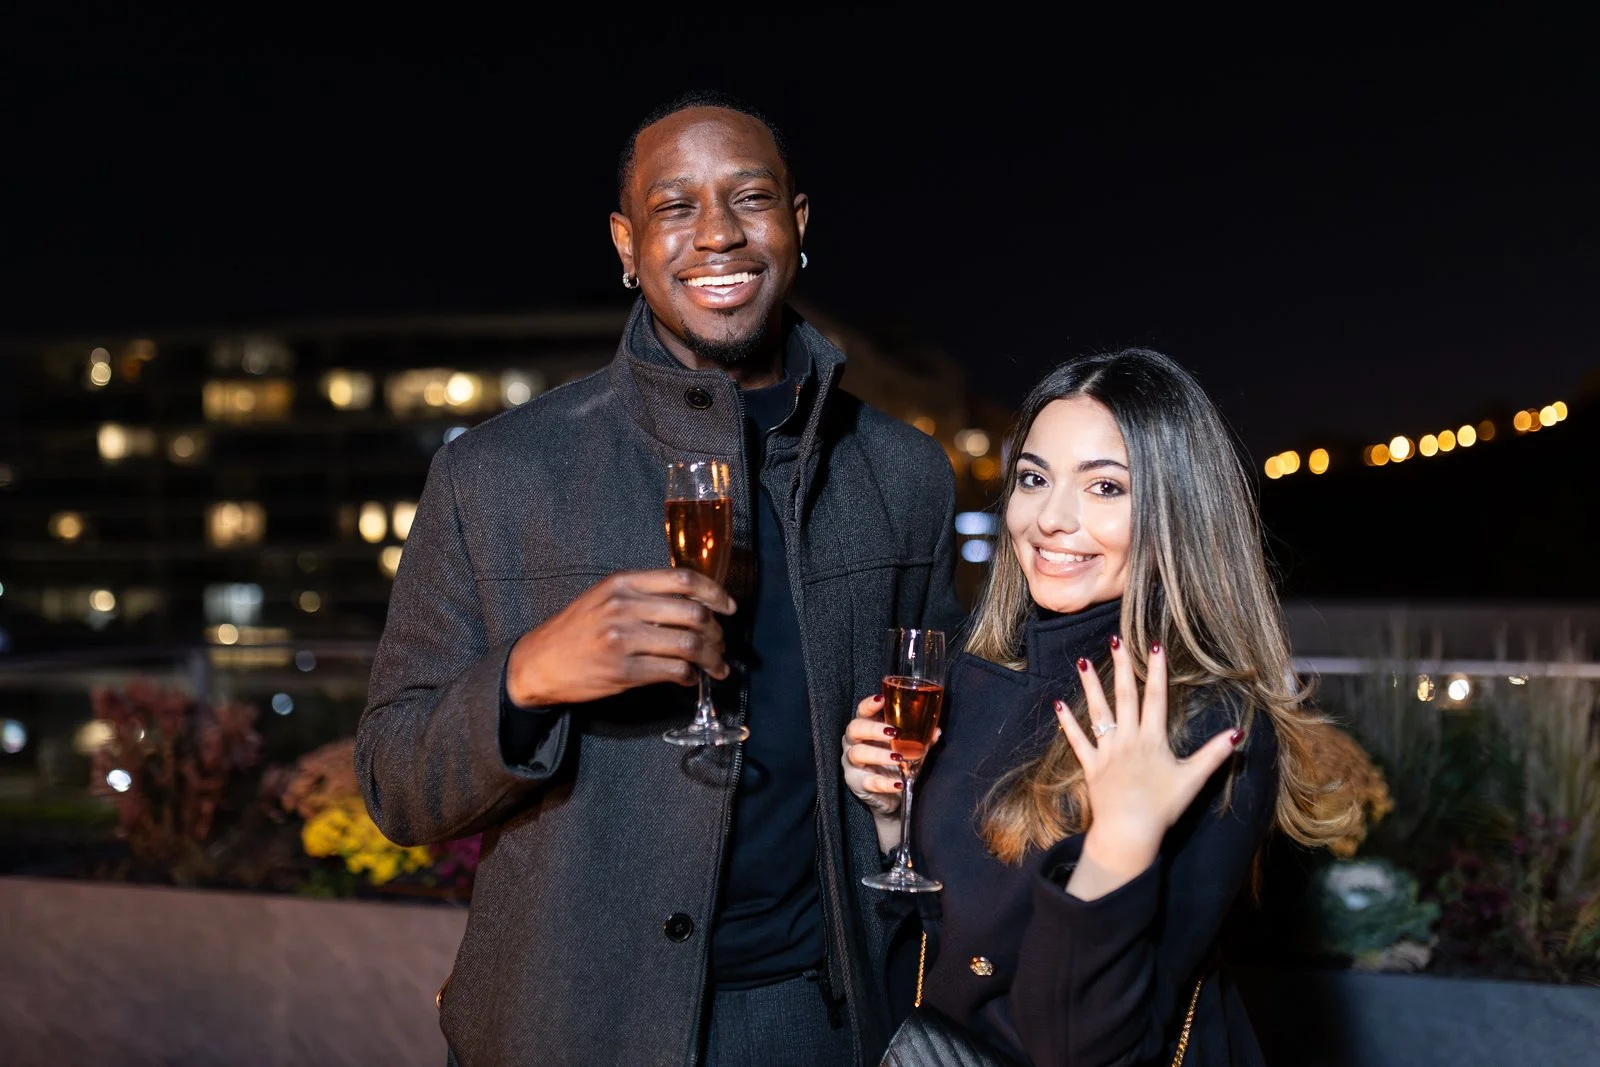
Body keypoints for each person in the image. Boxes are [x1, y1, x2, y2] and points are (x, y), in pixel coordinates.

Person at [355, 91, 962, 1067]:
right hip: (566, 1023)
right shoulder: (494, 473)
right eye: (675, 207)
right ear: (626, 245)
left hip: (817, 1018)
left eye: (748, 198)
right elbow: (395, 784)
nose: (716, 232)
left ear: (796, 227)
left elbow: (943, 733)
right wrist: (525, 676)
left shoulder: (903, 471)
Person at [844, 349, 1359, 1066]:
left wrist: (1120, 842)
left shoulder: (1203, 720)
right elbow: (946, 945)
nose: (1051, 518)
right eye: (1033, 478)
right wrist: (893, 812)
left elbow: (1084, 1047)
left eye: (1105, 487)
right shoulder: (970, 678)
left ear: (1177, 510)